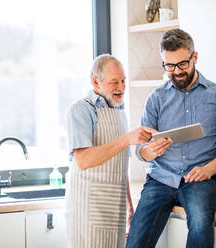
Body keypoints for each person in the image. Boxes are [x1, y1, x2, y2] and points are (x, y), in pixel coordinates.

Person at [126, 29, 216, 248]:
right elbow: (141, 151)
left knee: (200, 226)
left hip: (199, 180)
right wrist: (151, 151)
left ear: (194, 57)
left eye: (182, 64)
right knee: (136, 239)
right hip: (160, 179)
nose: (176, 71)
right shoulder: (156, 98)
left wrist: (208, 170)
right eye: (169, 66)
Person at [65, 54, 156, 248]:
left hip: (115, 211)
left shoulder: (119, 113)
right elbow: (83, 160)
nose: (121, 87)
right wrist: (126, 139)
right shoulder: (81, 110)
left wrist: (130, 209)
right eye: (114, 82)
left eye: (123, 81)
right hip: (87, 212)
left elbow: (119, 167)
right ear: (95, 81)